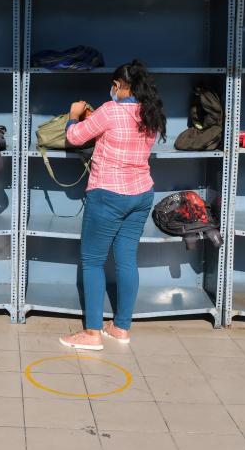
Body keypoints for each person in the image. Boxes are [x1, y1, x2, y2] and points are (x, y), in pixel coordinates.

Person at [59, 60, 166, 351]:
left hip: (108, 194)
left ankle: (92, 333)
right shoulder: (150, 113)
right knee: (126, 260)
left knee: (93, 262)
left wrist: (74, 114)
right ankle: (120, 327)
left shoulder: (109, 111)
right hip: (142, 194)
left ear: (118, 85)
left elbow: (74, 137)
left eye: (113, 85)